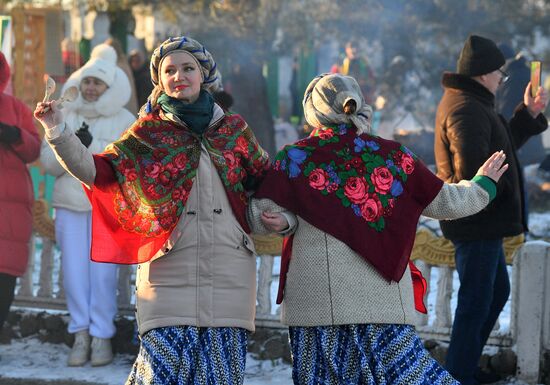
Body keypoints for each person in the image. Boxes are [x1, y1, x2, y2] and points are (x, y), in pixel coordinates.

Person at [35, 35, 271, 384]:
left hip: (229, 276)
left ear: (203, 74)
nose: (179, 76)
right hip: (167, 273)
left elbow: (265, 184)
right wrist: (57, 130)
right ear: (159, 80)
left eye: (187, 68)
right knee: (158, 376)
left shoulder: (233, 131)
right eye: (170, 70)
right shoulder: (147, 132)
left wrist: (266, 217)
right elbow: (97, 172)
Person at [248, 72, 509, 385]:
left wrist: (288, 218)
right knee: (411, 377)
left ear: (313, 111)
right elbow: (448, 203)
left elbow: (258, 219)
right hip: (383, 302)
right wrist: (484, 185)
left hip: (317, 305)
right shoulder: (394, 157)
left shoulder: (294, 160)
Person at [434, 35, 548, 385]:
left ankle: (463, 368)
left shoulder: (474, 102)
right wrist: (502, 198)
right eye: (500, 72)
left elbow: (499, 149)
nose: (503, 78)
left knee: (494, 294)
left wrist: (527, 114)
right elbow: (473, 174)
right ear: (484, 73)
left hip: (482, 221)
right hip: (477, 221)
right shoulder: (467, 109)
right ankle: (458, 376)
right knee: (475, 302)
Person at [39, 43, 135, 367]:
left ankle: (102, 336)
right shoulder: (64, 112)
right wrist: (65, 138)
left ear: (110, 87)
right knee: (74, 274)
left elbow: (127, 166)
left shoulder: (126, 119)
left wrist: (92, 149)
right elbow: (47, 165)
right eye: (88, 82)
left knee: (103, 276)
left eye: (98, 83)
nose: (91, 88)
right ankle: (80, 334)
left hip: (105, 209)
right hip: (69, 206)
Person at [0, 51, 41, 337]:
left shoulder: (15, 107)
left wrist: (14, 135)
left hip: (10, 212)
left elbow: (34, 149)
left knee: (4, 282)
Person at [496, 43, 546, 166]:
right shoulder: (529, 72)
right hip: (533, 143)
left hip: (519, 146)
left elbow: (505, 112)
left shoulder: (510, 78)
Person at [331, 40, 377, 104]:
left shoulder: (365, 64)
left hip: (362, 99)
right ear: (346, 50)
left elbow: (372, 81)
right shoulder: (340, 65)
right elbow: (332, 82)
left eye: (356, 47)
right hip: (344, 100)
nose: (354, 50)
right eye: (351, 47)